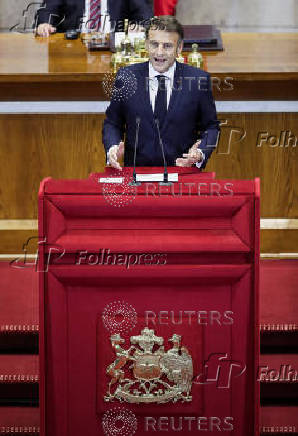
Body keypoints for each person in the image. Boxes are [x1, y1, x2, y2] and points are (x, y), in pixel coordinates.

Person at [103, 16, 220, 169]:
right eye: (154, 44)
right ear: (146, 45)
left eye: (167, 46)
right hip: (137, 177)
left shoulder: (199, 80)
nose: (159, 52)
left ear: (179, 48)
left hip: (182, 175)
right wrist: (112, 148)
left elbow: (211, 127)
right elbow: (112, 123)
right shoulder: (126, 77)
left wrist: (200, 152)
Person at [36, 0, 153, 36]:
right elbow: (48, 9)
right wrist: (45, 24)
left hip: (114, 45)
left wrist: (140, 25)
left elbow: (143, 11)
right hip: (75, 43)